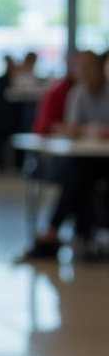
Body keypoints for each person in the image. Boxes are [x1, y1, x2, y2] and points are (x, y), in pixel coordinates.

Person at [27, 50, 109, 259]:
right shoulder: (77, 93)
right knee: (80, 173)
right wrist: (89, 130)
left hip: (102, 160)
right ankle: (83, 237)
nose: (88, 72)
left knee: (79, 175)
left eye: (92, 66)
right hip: (83, 159)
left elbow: (73, 128)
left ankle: (54, 231)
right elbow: (71, 128)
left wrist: (83, 129)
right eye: (83, 67)